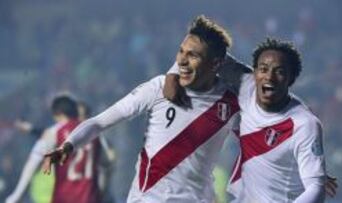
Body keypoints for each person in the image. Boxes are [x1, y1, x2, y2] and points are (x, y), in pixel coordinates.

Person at [43, 15, 240, 202]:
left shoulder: (232, 103)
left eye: (193, 55)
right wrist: (69, 145)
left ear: (216, 64)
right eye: (181, 51)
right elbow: (100, 122)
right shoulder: (158, 88)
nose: (182, 61)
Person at [164, 38, 338, 202]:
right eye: (263, 69)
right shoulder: (246, 86)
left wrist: (313, 172)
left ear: (291, 78)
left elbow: (316, 188)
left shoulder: (304, 124)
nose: (269, 77)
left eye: (279, 72)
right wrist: (172, 75)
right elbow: (203, 48)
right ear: (254, 73)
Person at [6, 95, 102, 203]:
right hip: (89, 198)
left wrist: (16, 196)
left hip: (64, 198)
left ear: (57, 114)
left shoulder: (54, 133)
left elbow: (33, 162)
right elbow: (105, 165)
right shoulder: (93, 133)